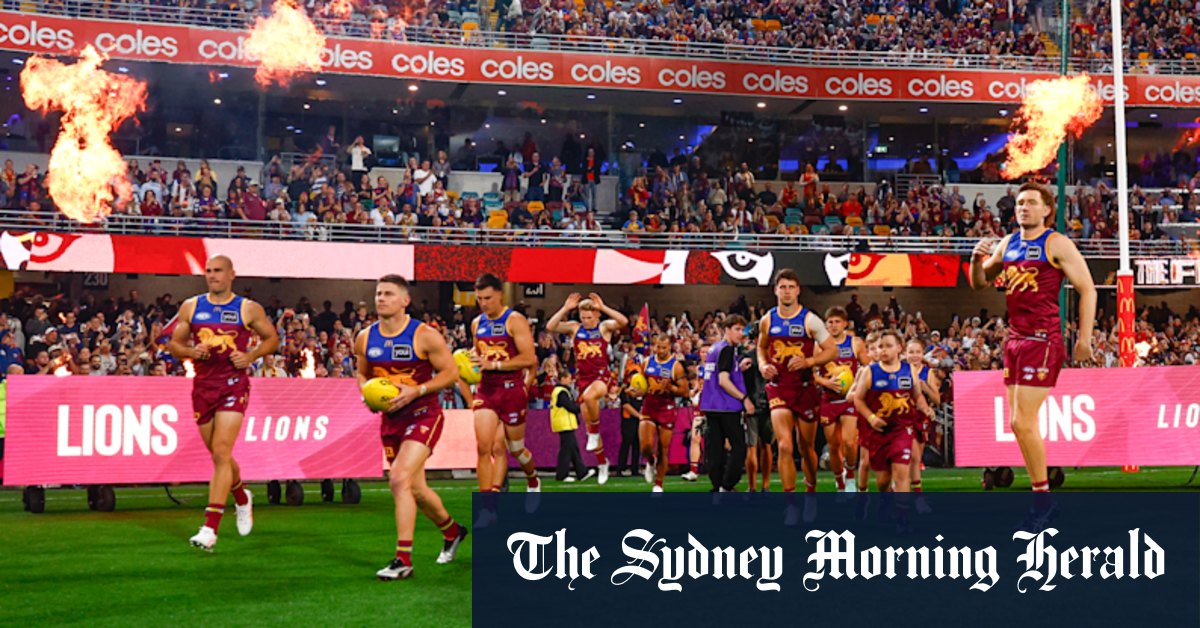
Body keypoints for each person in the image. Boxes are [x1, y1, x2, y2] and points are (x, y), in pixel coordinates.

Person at [970, 181, 1095, 530]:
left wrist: (1083, 338)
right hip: (1015, 339)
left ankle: (1043, 501)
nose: (1023, 207)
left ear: (1046, 210)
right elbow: (980, 283)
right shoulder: (1008, 243)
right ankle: (1043, 495)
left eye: (1030, 203)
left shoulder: (1056, 243)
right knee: (1017, 424)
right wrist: (975, 260)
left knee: (1023, 422)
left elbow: (1087, 288)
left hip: (1043, 339)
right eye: (1020, 203)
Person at [354, 275, 467, 581]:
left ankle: (403, 559)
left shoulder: (425, 335)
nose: (380, 298)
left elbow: (451, 373)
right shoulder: (364, 337)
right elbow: (362, 373)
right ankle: (453, 531)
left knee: (398, 479)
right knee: (415, 488)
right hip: (390, 419)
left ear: (405, 301)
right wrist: (368, 393)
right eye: (378, 293)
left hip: (423, 414)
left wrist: (415, 391)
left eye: (388, 294)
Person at [168, 255, 279, 551]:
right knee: (221, 458)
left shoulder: (247, 308)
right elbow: (174, 345)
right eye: (208, 271)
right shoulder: (191, 306)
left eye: (218, 271)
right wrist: (192, 351)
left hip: (234, 384)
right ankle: (242, 496)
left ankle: (210, 527)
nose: (212, 276)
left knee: (220, 452)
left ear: (232, 274)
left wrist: (251, 356)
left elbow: (271, 339)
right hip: (203, 386)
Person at [756, 269, 837, 525]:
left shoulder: (810, 320)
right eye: (783, 286)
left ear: (798, 290)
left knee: (806, 447)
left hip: (805, 388)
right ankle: (790, 503)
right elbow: (761, 346)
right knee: (784, 445)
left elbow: (832, 350)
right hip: (779, 387)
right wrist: (761, 365)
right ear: (775, 290)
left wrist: (810, 361)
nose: (787, 290)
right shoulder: (767, 320)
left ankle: (810, 492)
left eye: (792, 286)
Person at [471, 273, 539, 527]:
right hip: (487, 390)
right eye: (479, 299)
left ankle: (533, 480)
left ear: (500, 294)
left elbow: (529, 358)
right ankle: (487, 508)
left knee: (516, 449)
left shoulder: (515, 320)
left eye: (487, 298)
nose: (483, 303)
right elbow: (480, 355)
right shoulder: (477, 323)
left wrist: (495, 364)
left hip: (511, 390)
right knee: (483, 447)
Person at [545, 293, 629, 485]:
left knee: (591, 398)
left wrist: (604, 306)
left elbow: (623, 321)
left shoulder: (604, 328)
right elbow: (550, 326)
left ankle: (593, 433)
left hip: (601, 377)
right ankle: (602, 463)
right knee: (589, 421)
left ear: (597, 316)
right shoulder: (575, 329)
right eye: (583, 317)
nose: (586, 321)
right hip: (582, 379)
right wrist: (566, 308)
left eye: (590, 317)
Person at [853, 330, 932, 532]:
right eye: (880, 346)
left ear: (899, 348)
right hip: (878, 432)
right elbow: (858, 399)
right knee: (882, 480)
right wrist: (871, 418)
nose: (883, 350)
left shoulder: (909, 371)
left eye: (888, 346)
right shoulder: (870, 372)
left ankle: (903, 519)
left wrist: (924, 407)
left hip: (902, 429)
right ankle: (885, 501)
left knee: (901, 473)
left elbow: (917, 396)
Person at [814, 307, 868, 493]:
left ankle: (851, 476)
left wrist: (857, 388)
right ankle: (839, 479)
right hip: (828, 400)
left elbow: (867, 369)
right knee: (834, 445)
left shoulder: (855, 343)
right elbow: (810, 372)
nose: (833, 325)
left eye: (837, 321)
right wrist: (825, 382)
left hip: (849, 400)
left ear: (845, 323)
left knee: (849, 442)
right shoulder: (818, 346)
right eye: (830, 322)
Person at [700, 315, 752, 493]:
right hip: (726, 406)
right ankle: (728, 484)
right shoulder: (728, 349)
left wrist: (738, 367)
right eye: (737, 329)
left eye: (742, 330)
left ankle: (717, 485)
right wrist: (744, 398)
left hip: (710, 404)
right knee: (739, 447)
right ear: (727, 330)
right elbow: (723, 380)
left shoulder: (714, 348)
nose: (741, 334)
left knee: (716, 449)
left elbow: (720, 372)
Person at [640, 333, 687, 492]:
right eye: (658, 347)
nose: (660, 350)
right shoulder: (646, 362)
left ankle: (659, 483)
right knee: (645, 446)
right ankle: (650, 461)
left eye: (664, 348)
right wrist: (635, 391)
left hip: (666, 408)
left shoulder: (676, 366)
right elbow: (641, 384)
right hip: (649, 406)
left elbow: (685, 391)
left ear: (669, 347)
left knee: (663, 448)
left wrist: (671, 388)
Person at [906, 338, 940, 512]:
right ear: (905, 354)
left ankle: (917, 495)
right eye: (911, 352)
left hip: (920, 418)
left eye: (917, 352)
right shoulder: (900, 370)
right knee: (906, 456)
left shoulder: (928, 373)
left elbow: (937, 399)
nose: (914, 355)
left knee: (915, 458)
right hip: (901, 416)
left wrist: (924, 387)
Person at [550, 370, 589, 482]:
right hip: (564, 424)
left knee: (572, 448)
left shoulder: (559, 391)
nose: (570, 380)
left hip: (565, 423)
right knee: (567, 450)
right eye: (568, 378)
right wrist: (580, 407)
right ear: (562, 379)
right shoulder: (561, 392)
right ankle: (562, 475)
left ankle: (582, 472)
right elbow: (570, 406)